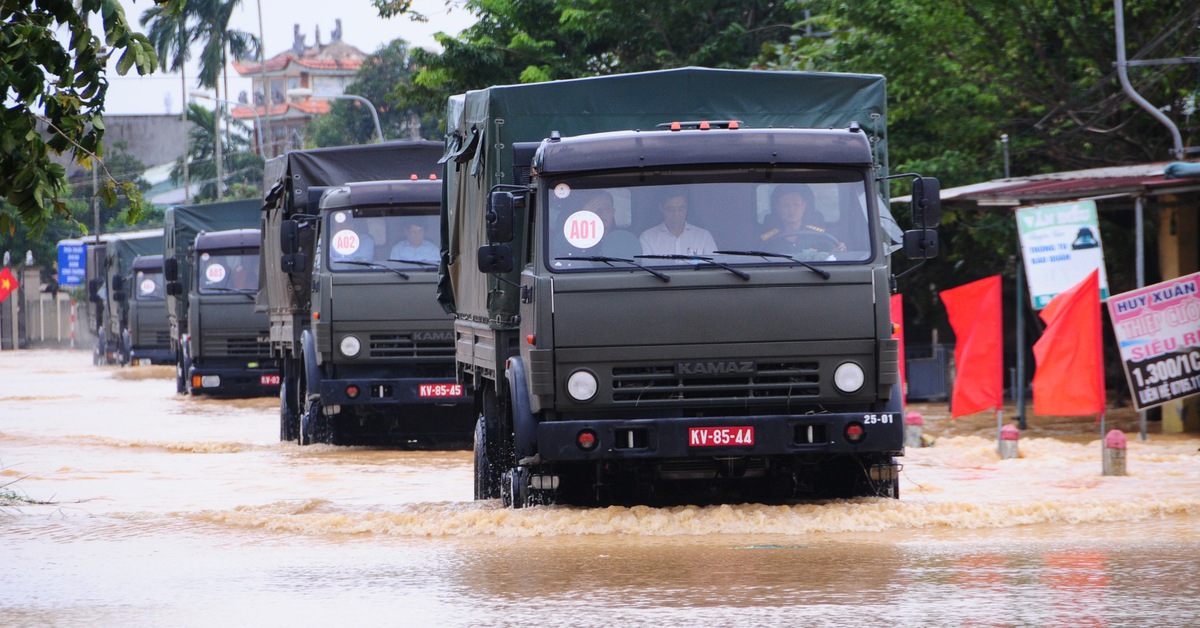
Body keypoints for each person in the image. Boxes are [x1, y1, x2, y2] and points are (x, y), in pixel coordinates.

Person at [760, 186, 845, 254]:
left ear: (803, 206)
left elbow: (832, 255)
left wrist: (840, 248)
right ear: (778, 208)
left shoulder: (818, 236)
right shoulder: (768, 240)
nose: (791, 209)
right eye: (786, 205)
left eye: (796, 204)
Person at [638, 193, 717, 256]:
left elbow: (715, 269)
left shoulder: (703, 236)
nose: (676, 215)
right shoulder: (648, 238)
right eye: (671, 210)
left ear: (687, 209)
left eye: (681, 209)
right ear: (661, 208)